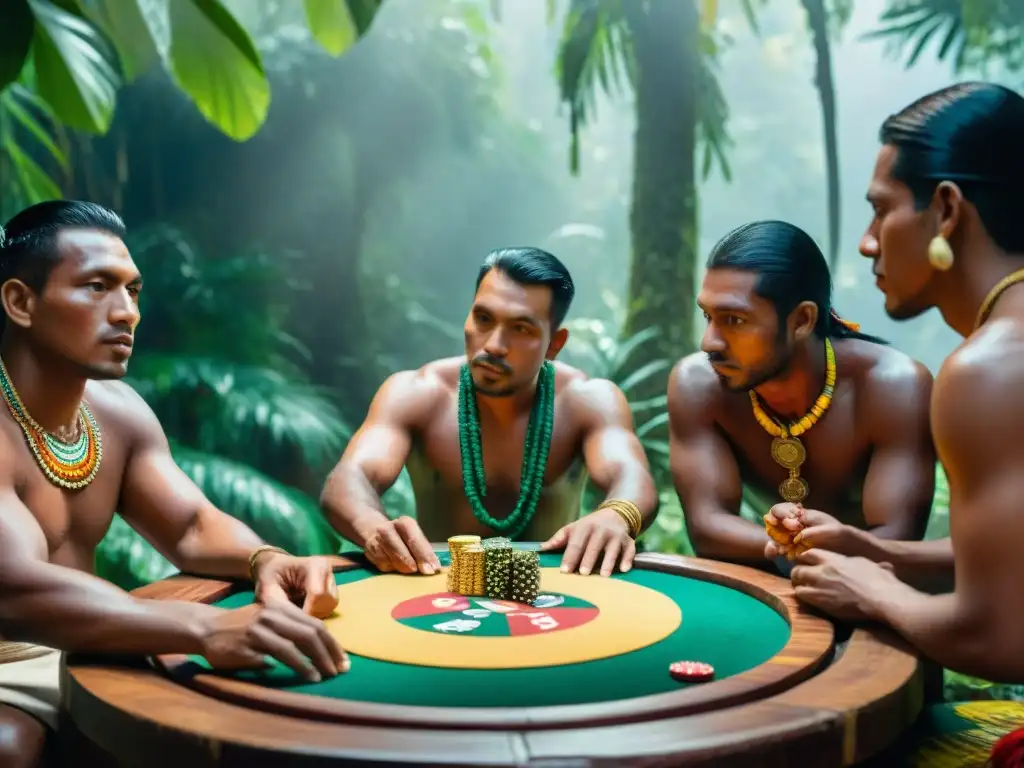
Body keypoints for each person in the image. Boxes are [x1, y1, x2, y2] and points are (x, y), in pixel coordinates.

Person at [0, 201, 347, 767]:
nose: (127, 312)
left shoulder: (118, 412)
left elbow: (191, 526)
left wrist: (264, 558)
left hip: (89, 652)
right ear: (21, 302)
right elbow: (14, 587)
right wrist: (204, 625)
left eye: (133, 291)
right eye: (96, 287)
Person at [778, 82, 1024, 767]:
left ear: (946, 209)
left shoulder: (990, 369)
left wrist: (875, 591)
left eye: (880, 212)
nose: (865, 244)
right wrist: (876, 551)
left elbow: (998, 635)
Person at [321, 247, 659, 578]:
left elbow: (632, 477)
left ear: (554, 344)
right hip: (432, 594)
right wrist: (372, 527)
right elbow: (351, 477)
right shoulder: (417, 393)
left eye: (521, 329)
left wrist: (617, 515)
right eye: (483, 318)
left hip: (559, 597)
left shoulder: (587, 399)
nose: (494, 345)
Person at [667, 220, 936, 571]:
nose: (709, 343)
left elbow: (897, 542)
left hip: (874, 591)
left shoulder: (894, 387)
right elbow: (707, 526)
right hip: (769, 583)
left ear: (802, 320)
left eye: (734, 320)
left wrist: (809, 544)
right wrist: (780, 541)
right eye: (708, 316)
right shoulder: (699, 385)